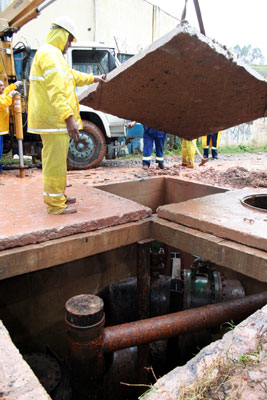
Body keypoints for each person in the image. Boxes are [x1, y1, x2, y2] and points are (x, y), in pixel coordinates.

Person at [27, 16, 105, 215]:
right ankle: (55, 206)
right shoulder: (50, 55)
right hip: (53, 121)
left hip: (54, 121)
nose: (69, 45)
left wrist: (94, 78)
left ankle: (58, 196)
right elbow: (56, 90)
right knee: (54, 164)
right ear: (60, 35)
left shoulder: (53, 55)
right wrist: (68, 117)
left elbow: (71, 76)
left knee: (59, 162)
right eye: (69, 40)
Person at [0, 80, 22, 172]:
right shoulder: (2, 99)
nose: (3, 87)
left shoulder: (2, 95)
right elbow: (4, 104)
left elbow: (6, 90)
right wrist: (11, 95)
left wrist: (15, 85)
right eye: (0, 85)